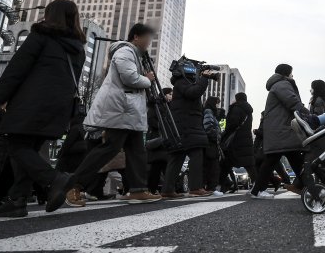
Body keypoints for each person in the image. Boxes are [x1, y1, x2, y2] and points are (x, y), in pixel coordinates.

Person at [0, 0, 87, 216]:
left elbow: (17, 68)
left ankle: (55, 179)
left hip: (31, 102)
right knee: (27, 150)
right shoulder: (78, 48)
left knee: (16, 146)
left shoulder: (41, 35)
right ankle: (17, 200)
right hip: (58, 107)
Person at [67, 23, 162, 206]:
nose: (148, 43)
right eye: (147, 38)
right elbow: (130, 78)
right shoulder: (125, 51)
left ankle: (138, 189)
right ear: (135, 37)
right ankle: (73, 184)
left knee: (136, 151)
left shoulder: (134, 54)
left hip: (129, 111)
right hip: (121, 109)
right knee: (111, 147)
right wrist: (147, 79)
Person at [250, 64, 307, 199]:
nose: (293, 76)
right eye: (292, 74)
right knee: (275, 161)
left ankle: (306, 186)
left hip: (280, 130)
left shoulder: (277, 85)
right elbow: (292, 102)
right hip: (282, 130)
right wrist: (307, 114)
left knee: (293, 159)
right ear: (287, 73)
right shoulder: (282, 84)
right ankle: (258, 190)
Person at [163, 60, 214, 198]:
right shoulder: (182, 83)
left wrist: (202, 78)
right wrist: (204, 78)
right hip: (187, 125)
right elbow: (194, 92)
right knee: (196, 153)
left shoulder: (181, 83)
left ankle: (168, 190)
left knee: (177, 156)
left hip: (184, 125)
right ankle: (195, 188)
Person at [219, 92, 256, 193]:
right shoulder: (248, 110)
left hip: (235, 140)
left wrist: (225, 133)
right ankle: (257, 184)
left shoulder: (237, 108)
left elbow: (232, 124)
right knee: (249, 164)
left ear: (237, 99)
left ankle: (224, 184)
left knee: (226, 163)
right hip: (246, 139)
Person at [146, 88, 172, 194]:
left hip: (163, 139)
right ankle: (153, 189)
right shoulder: (156, 106)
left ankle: (164, 189)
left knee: (162, 166)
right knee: (157, 167)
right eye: (170, 94)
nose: (171, 96)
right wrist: (165, 126)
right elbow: (152, 121)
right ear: (164, 94)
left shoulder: (167, 106)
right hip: (158, 139)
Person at [202, 97, 223, 196]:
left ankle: (210, 187)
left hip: (210, 143)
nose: (218, 106)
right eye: (217, 103)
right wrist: (215, 137)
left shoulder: (210, 112)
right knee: (213, 166)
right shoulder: (208, 111)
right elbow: (208, 126)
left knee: (211, 166)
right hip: (210, 143)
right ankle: (211, 188)